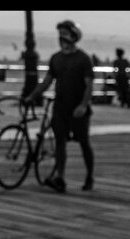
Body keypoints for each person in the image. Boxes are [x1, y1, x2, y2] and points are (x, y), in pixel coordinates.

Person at [25, 19, 93, 193]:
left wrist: (84, 105)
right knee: (60, 142)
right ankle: (60, 178)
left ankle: (89, 176)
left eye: (65, 34)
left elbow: (89, 85)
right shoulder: (56, 58)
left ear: (74, 36)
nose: (62, 38)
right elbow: (47, 81)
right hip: (60, 107)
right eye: (60, 34)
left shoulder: (83, 59)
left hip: (78, 108)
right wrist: (32, 96)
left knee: (83, 142)